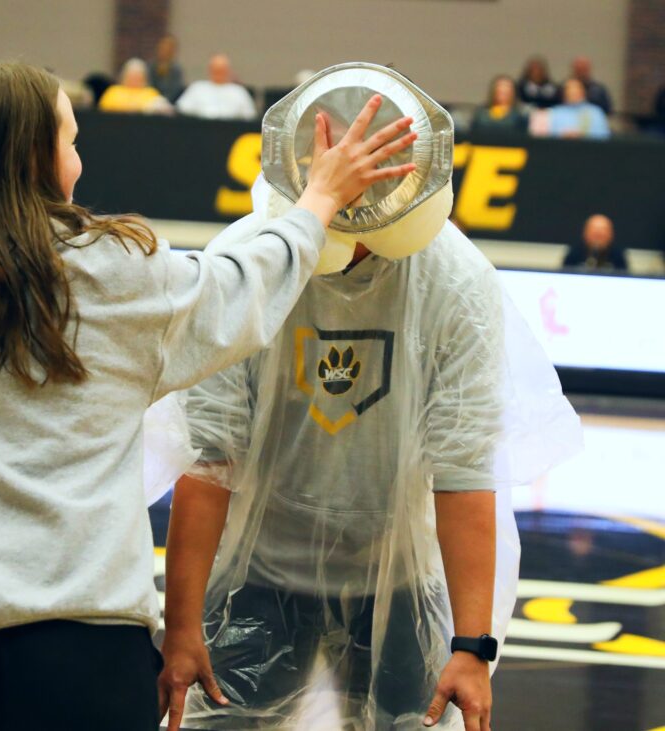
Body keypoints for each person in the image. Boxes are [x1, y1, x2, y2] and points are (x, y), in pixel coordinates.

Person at [0, 62, 417, 730]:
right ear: (35, 158)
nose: (78, 163)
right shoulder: (113, 271)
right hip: (86, 667)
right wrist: (318, 199)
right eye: (71, 141)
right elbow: (242, 290)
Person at [157, 64, 581, 731]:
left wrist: (472, 646)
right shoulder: (247, 261)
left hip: (402, 578)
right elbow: (209, 460)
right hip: (260, 574)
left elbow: (466, 470)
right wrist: (181, 627)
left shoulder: (455, 279)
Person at [175, 54, 257, 120]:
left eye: (221, 70)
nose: (218, 74)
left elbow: (250, 116)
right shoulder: (197, 88)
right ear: (209, 70)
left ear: (228, 70)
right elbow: (181, 110)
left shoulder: (239, 91)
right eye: (216, 70)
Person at [98, 58, 168, 113]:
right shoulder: (113, 92)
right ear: (124, 77)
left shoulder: (151, 93)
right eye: (131, 76)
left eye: (138, 77)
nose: (134, 80)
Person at [562, 213, 627, 271]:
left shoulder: (618, 256)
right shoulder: (574, 254)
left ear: (611, 234)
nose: (598, 236)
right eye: (594, 233)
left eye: (602, 233)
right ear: (585, 233)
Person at [149, 35, 184, 102]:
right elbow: (149, 87)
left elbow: (177, 90)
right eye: (163, 48)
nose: (166, 51)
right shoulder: (149, 67)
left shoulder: (177, 71)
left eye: (170, 48)